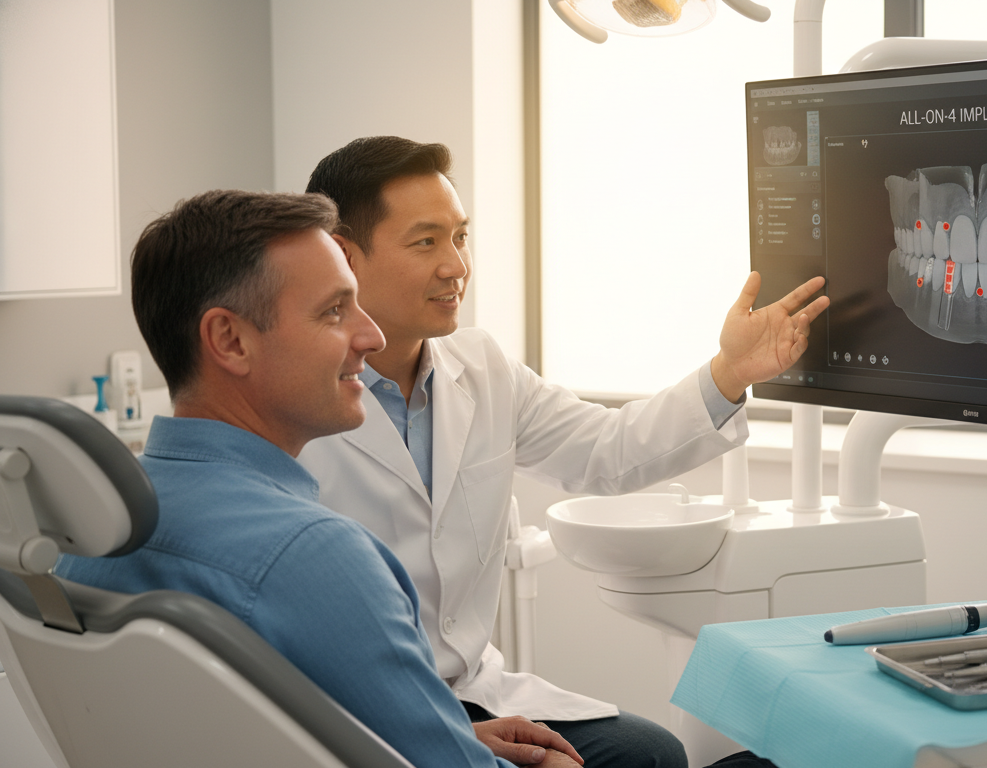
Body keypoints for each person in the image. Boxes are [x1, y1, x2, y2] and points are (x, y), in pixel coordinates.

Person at [298, 136, 827, 768]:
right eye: (425, 241)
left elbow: (607, 449)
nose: (456, 265)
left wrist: (730, 371)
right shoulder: (300, 402)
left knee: (653, 752)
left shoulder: (482, 365)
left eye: (460, 237)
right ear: (345, 256)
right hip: (366, 713)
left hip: (472, 690)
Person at [54, 190, 585, 768]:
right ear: (230, 340)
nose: (371, 336)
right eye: (335, 311)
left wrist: (452, 733)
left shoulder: (89, 537)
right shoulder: (316, 556)